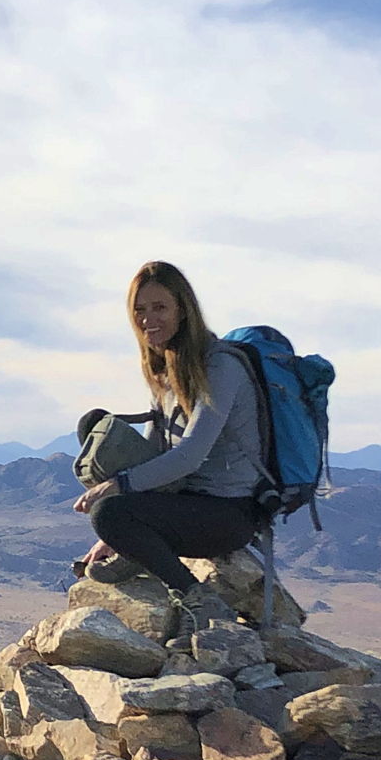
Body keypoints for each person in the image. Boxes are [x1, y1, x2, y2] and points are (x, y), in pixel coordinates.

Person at [72, 260, 264, 625]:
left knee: (108, 512)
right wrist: (117, 534)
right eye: (140, 310)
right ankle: (136, 548)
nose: (148, 319)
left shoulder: (222, 368)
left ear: (183, 311)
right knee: (96, 428)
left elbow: (190, 455)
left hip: (227, 512)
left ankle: (195, 596)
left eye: (159, 308)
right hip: (183, 498)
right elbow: (157, 448)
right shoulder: (164, 366)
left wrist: (116, 495)